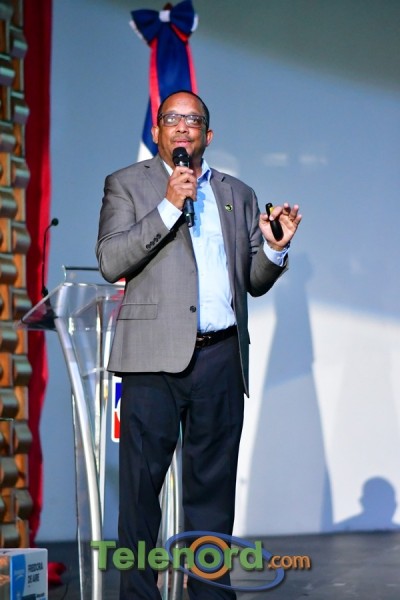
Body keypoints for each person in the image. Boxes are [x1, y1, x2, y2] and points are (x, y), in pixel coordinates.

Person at [96, 90, 301, 600]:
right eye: (172, 118)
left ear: (208, 135)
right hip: (151, 361)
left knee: (212, 496)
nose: (182, 127)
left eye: (193, 120)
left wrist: (274, 250)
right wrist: (169, 206)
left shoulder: (238, 193)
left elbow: (251, 281)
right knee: (140, 496)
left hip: (220, 359)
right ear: (158, 132)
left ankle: (209, 593)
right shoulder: (126, 184)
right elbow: (111, 260)